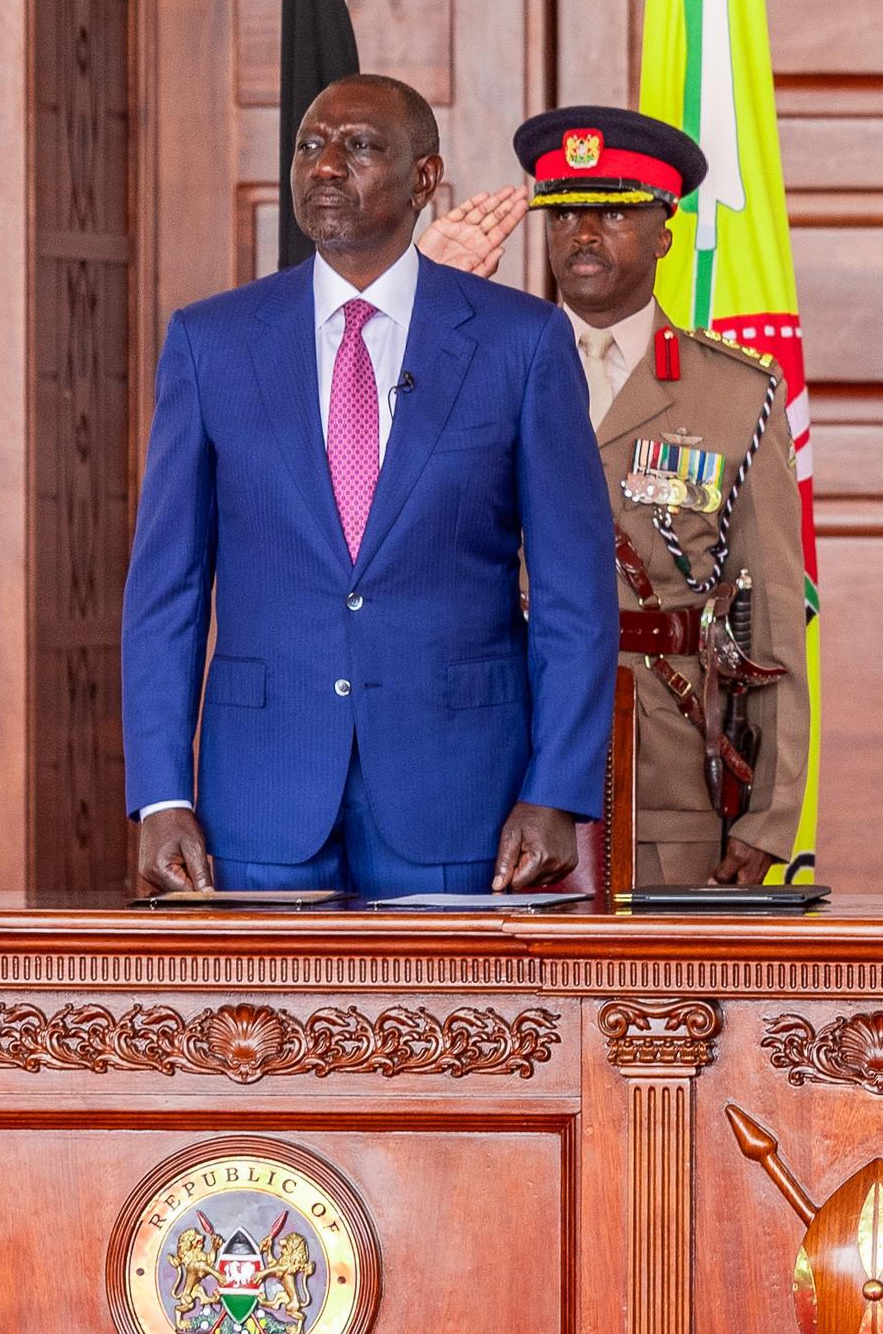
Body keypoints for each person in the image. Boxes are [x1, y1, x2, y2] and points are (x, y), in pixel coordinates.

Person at [123, 72, 621, 897]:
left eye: (358, 147)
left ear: (424, 178)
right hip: (259, 800)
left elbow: (576, 593)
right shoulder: (210, 342)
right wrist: (161, 794)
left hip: (463, 797)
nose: (325, 165)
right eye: (310, 146)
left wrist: (556, 791)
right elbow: (164, 592)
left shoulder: (521, 342)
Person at [504, 103, 812, 889]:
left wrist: (770, 814)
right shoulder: (484, 369)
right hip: (504, 744)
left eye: (611, 214)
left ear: (664, 234)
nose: (582, 234)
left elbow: (773, 612)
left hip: (665, 767)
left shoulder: (735, 392)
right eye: (564, 214)